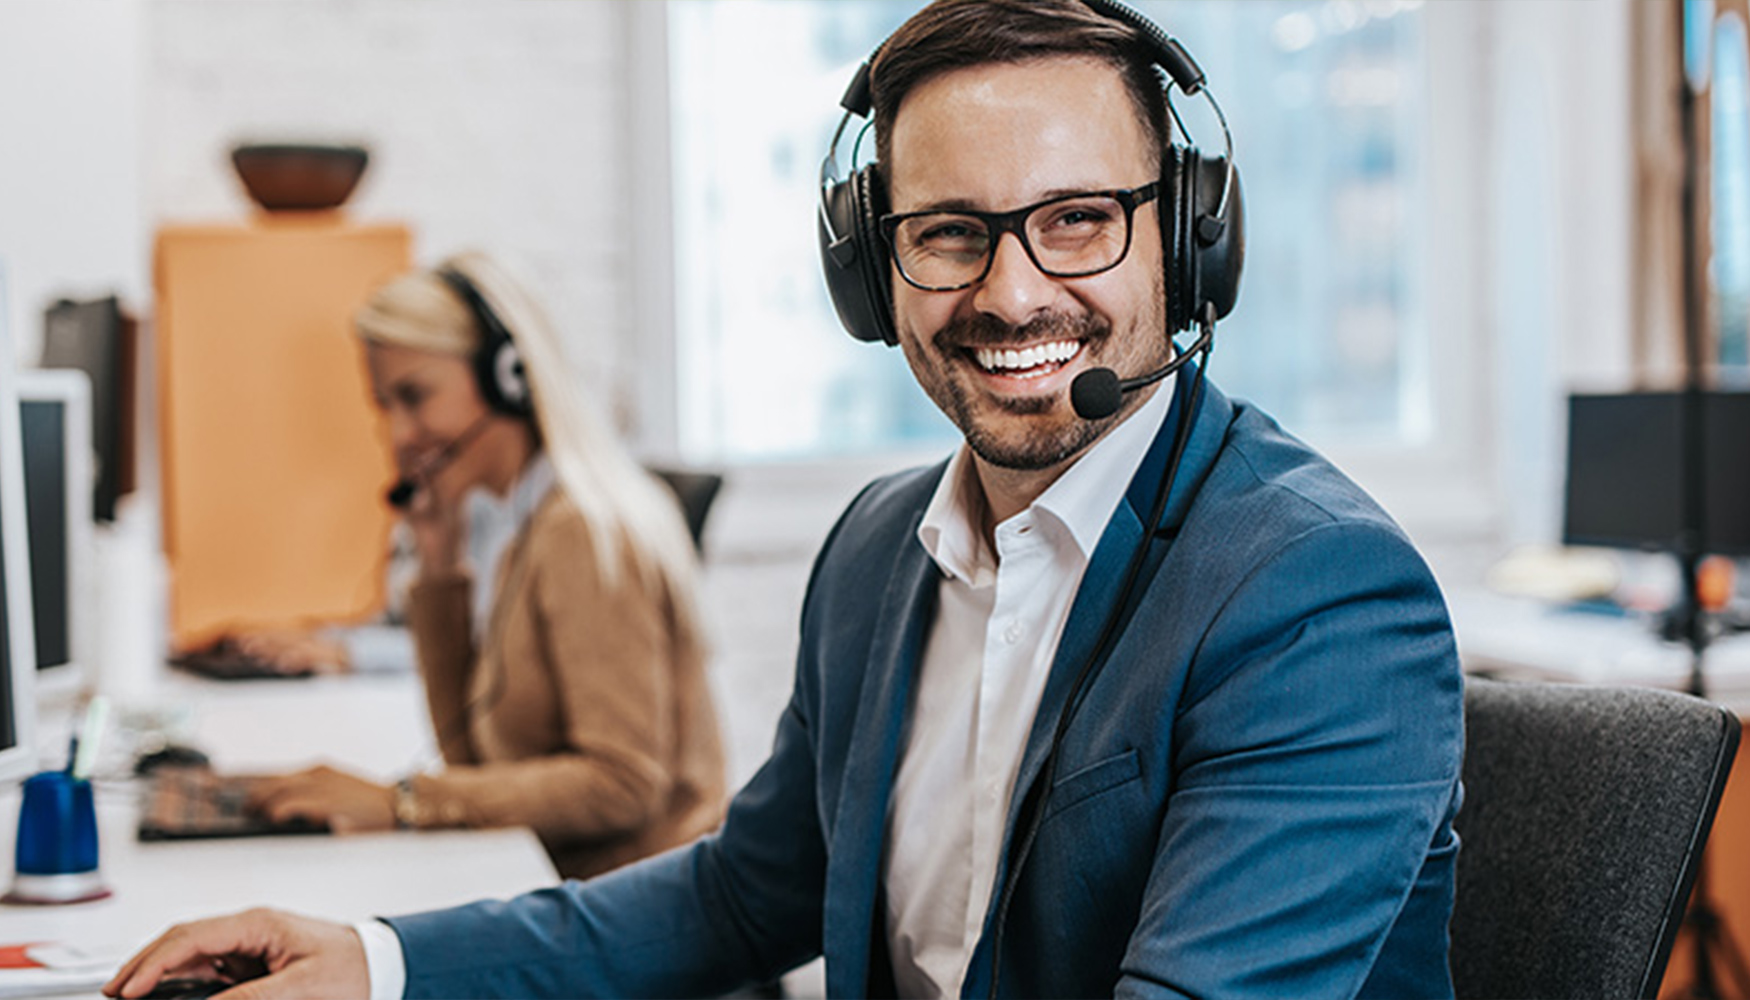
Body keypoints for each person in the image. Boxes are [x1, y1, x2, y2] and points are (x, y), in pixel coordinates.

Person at [105, 3, 1462, 998]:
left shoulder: (1314, 594)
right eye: (948, 233)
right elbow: (740, 897)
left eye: (1077, 220)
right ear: (869, 274)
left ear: (1187, 236)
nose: (1010, 294)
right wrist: (377, 961)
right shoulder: (880, 549)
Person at [232, 251, 728, 880]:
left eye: (415, 396)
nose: (399, 435)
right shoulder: (521, 528)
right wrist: (439, 570)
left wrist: (400, 802)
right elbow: (474, 764)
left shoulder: (580, 531)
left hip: (638, 903)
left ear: (508, 377)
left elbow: (623, 783)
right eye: (386, 405)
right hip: (570, 883)